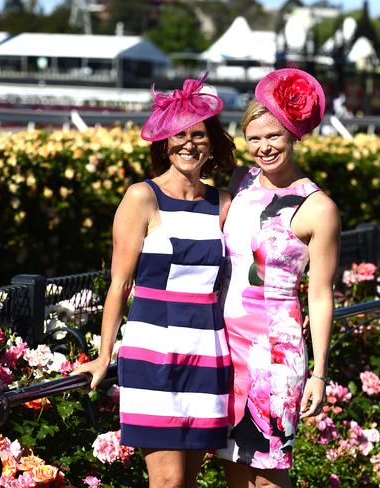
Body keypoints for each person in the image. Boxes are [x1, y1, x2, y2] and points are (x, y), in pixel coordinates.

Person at [74, 73, 236, 488]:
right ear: (165, 143)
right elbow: (119, 285)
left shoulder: (222, 202)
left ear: (212, 143)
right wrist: (104, 353)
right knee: (165, 483)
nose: (189, 143)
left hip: (208, 350)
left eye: (199, 135)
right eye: (179, 135)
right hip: (153, 350)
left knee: (187, 483)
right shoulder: (141, 197)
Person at [217, 68, 341, 487]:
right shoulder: (241, 182)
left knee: (270, 473)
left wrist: (320, 374)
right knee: (234, 466)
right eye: (254, 138)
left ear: (292, 134)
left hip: (275, 354)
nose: (263, 147)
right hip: (225, 345)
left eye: (273, 136)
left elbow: (321, 295)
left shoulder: (317, 207)